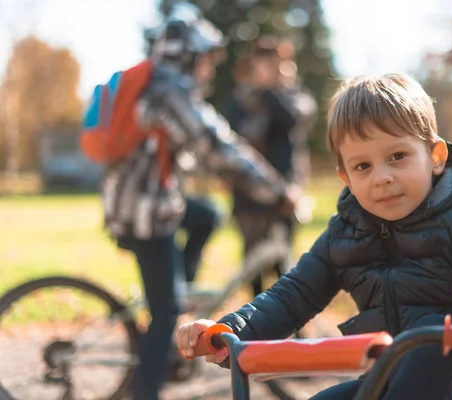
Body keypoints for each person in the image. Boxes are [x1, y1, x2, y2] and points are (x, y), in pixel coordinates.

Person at [177, 73, 452, 399]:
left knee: (437, 343)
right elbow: (292, 295)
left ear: (435, 156)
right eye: (363, 166)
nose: (381, 177)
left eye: (397, 156)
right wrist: (230, 329)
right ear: (345, 177)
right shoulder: (345, 234)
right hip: (394, 376)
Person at [97, 14, 300, 400]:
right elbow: (217, 144)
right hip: (145, 213)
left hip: (143, 203)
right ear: (190, 56)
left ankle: (181, 291)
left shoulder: (157, 85)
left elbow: (198, 149)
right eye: (207, 59)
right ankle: (147, 387)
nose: (210, 69)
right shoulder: (168, 89)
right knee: (166, 313)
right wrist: (276, 189)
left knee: (208, 214)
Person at [224, 35, 317, 297]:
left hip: (285, 195)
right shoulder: (240, 99)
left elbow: (293, 119)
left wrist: (271, 92)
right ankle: (258, 327)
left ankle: (293, 329)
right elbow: (233, 136)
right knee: (252, 265)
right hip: (248, 196)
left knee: (284, 265)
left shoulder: (293, 95)